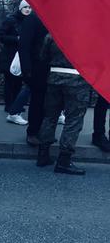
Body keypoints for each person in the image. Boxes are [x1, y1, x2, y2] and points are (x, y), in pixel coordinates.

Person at [35, 34, 90, 175]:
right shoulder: (88, 35)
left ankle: (43, 154)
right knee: (73, 120)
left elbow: (43, 56)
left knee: (50, 116)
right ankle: (64, 160)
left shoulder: (53, 32)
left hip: (54, 77)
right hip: (77, 80)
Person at [0, 0, 32, 125]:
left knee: (18, 81)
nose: (28, 10)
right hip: (10, 56)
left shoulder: (28, 21)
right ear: (20, 8)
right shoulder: (11, 20)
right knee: (9, 82)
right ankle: (9, 104)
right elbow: (1, 36)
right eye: (26, 7)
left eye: (30, 7)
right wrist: (16, 39)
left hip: (20, 56)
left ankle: (15, 104)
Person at [19, 13, 50, 146]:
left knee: (48, 103)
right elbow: (24, 45)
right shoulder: (34, 18)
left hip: (49, 66)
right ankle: (32, 132)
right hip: (37, 67)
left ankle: (42, 131)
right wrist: (27, 70)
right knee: (38, 101)